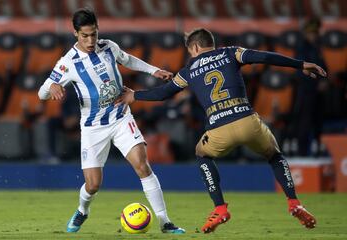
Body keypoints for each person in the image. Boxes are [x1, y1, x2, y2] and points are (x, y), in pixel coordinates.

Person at [116, 28, 326, 233]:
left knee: (202, 154)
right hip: (247, 120)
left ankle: (220, 208)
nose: (190, 54)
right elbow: (264, 57)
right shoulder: (231, 52)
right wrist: (301, 64)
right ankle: (293, 202)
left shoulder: (189, 70)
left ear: (195, 47)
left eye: (190, 51)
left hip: (219, 128)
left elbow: (163, 93)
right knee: (274, 155)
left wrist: (135, 96)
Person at [38, 8, 185, 234]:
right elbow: (41, 94)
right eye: (85, 35)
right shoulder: (67, 63)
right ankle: (82, 211)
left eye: (93, 34)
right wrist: (52, 86)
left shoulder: (108, 47)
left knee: (143, 166)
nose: (90, 40)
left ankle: (165, 221)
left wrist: (153, 71)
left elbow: (128, 60)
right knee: (93, 185)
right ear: (75, 33)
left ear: (98, 30)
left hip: (120, 117)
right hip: (92, 128)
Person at [293, 17, 327, 156]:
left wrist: (325, 80)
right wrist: (317, 84)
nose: (314, 35)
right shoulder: (302, 48)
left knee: (317, 123)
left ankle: (317, 151)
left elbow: (323, 67)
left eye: (315, 33)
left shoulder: (317, 47)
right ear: (306, 33)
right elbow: (301, 71)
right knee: (304, 124)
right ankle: (302, 154)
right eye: (311, 33)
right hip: (307, 92)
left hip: (317, 93)